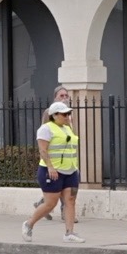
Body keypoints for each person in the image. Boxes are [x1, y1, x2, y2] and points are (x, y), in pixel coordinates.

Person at [21, 101, 84, 243]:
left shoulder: (67, 128)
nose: (67, 116)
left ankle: (69, 233)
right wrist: (50, 167)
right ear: (54, 115)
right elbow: (43, 150)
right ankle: (29, 224)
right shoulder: (46, 129)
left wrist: (74, 168)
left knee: (70, 201)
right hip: (52, 171)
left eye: (68, 114)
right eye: (64, 114)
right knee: (51, 203)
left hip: (70, 170)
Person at [32, 86, 74, 221]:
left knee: (64, 188)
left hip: (66, 157)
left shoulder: (68, 113)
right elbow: (45, 133)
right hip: (53, 158)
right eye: (61, 96)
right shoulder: (49, 113)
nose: (64, 98)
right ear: (55, 97)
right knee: (59, 187)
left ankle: (42, 204)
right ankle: (58, 211)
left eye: (66, 96)